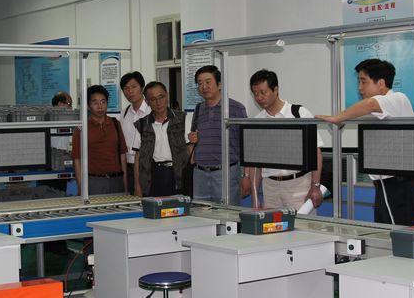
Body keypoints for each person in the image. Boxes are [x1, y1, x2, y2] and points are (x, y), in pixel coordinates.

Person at [317, 58, 414, 225]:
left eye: (363, 81)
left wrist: (337, 117)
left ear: (381, 83)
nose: (360, 88)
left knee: (398, 234)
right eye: (359, 82)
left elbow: (371, 104)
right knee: (385, 233)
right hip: (387, 185)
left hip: (397, 185)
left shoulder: (397, 99)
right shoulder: (382, 108)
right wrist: (342, 120)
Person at [248, 69, 323, 210]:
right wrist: (255, 197)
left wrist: (316, 186)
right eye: (255, 94)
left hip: (298, 185)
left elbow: (315, 153)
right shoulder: (257, 121)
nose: (259, 97)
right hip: (270, 187)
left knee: (301, 223)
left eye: (263, 92)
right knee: (272, 223)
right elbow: (255, 166)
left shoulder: (299, 114)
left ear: (275, 89)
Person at [188, 65, 251, 205]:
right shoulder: (198, 109)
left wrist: (247, 176)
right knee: (201, 214)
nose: (204, 87)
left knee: (228, 215)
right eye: (200, 83)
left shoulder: (236, 108)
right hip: (200, 174)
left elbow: (247, 144)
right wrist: (192, 138)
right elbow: (195, 138)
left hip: (226, 173)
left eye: (208, 82)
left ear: (220, 84)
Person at [132, 82, 187, 197]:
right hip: (153, 176)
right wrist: (137, 185)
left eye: (161, 97)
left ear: (167, 95)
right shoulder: (142, 125)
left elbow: (191, 150)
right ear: (147, 102)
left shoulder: (182, 119)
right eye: (153, 99)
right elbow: (138, 156)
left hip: (179, 175)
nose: (158, 102)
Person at [72, 85, 128, 195]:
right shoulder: (81, 128)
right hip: (93, 182)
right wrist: (81, 187)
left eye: (103, 102)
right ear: (88, 106)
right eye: (95, 103)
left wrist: (125, 184)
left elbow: (122, 155)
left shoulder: (115, 124)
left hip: (116, 181)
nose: (100, 106)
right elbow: (77, 160)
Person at [118, 72, 151, 195]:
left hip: (147, 166)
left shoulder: (151, 111)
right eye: (126, 88)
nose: (130, 91)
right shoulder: (124, 113)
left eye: (134, 87)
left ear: (142, 88)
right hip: (128, 166)